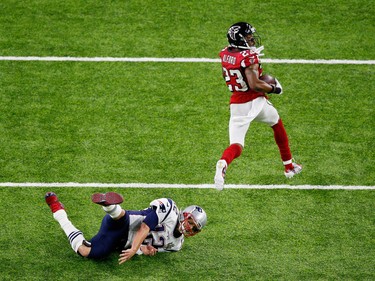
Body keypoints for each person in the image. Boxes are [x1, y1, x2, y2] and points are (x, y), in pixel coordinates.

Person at [214, 22, 302, 190]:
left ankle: (224, 162)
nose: (252, 39)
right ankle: (289, 166)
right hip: (254, 101)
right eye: (248, 37)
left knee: (237, 145)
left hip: (237, 104)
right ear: (240, 39)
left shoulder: (225, 53)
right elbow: (255, 84)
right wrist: (274, 88)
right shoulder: (248, 57)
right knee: (276, 123)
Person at [45, 191, 207, 264]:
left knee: (85, 251)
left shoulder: (176, 246)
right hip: (124, 224)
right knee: (122, 217)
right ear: (184, 214)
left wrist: (144, 250)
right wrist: (134, 249)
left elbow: (146, 247)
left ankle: (59, 211)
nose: (189, 227)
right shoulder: (170, 208)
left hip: (121, 244)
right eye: (190, 221)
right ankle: (110, 206)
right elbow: (144, 226)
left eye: (194, 228)